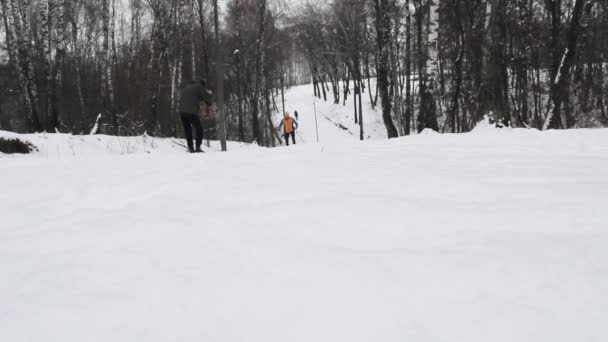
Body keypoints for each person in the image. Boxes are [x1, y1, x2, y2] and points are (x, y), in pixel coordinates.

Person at [179, 79, 213, 153]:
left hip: (182, 111)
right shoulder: (199, 86)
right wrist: (209, 102)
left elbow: (195, 97)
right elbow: (206, 97)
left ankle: (190, 148)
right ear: (203, 85)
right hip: (191, 111)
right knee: (199, 129)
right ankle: (197, 147)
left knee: (188, 129)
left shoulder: (188, 86)